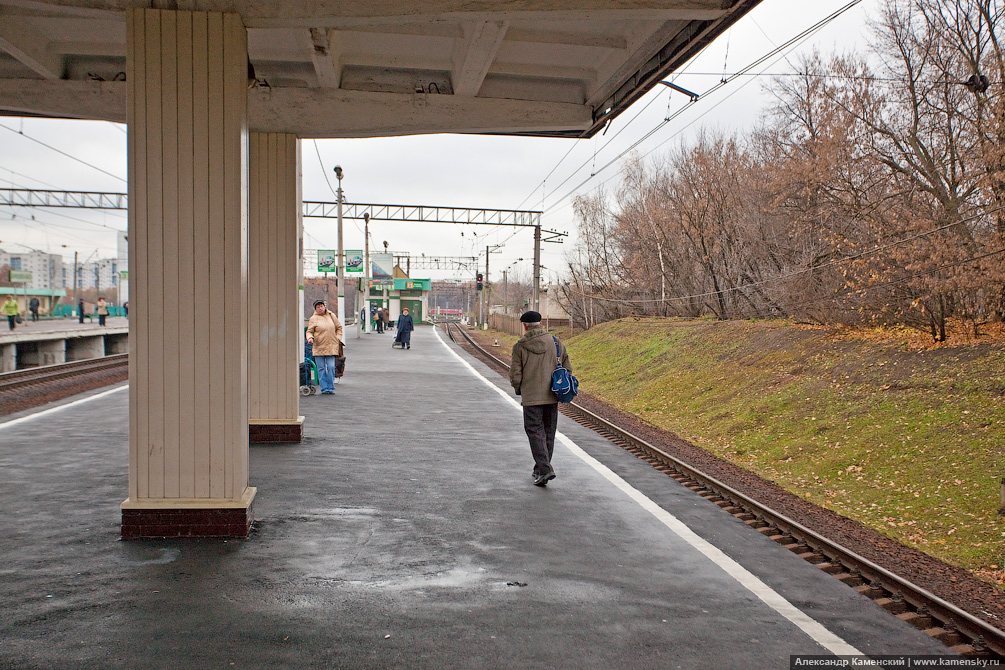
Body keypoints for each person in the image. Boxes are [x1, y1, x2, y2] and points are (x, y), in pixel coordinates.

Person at [509, 310, 572, 487]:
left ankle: (544, 469)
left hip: (531, 398)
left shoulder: (520, 346)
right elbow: (567, 367)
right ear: (541, 324)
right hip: (552, 396)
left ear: (524, 326)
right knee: (548, 432)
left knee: (535, 431)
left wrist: (519, 389)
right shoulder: (556, 342)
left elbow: (515, 374)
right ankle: (541, 468)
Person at [306, 300, 344, 394]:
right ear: (315, 309)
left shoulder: (331, 316)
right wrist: (310, 338)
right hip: (319, 346)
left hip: (331, 346)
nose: (320, 308)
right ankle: (324, 388)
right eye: (318, 307)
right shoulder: (313, 319)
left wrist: (338, 338)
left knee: (331, 367)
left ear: (324, 306)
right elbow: (309, 331)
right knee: (321, 368)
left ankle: (331, 387)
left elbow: (339, 327)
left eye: (321, 306)